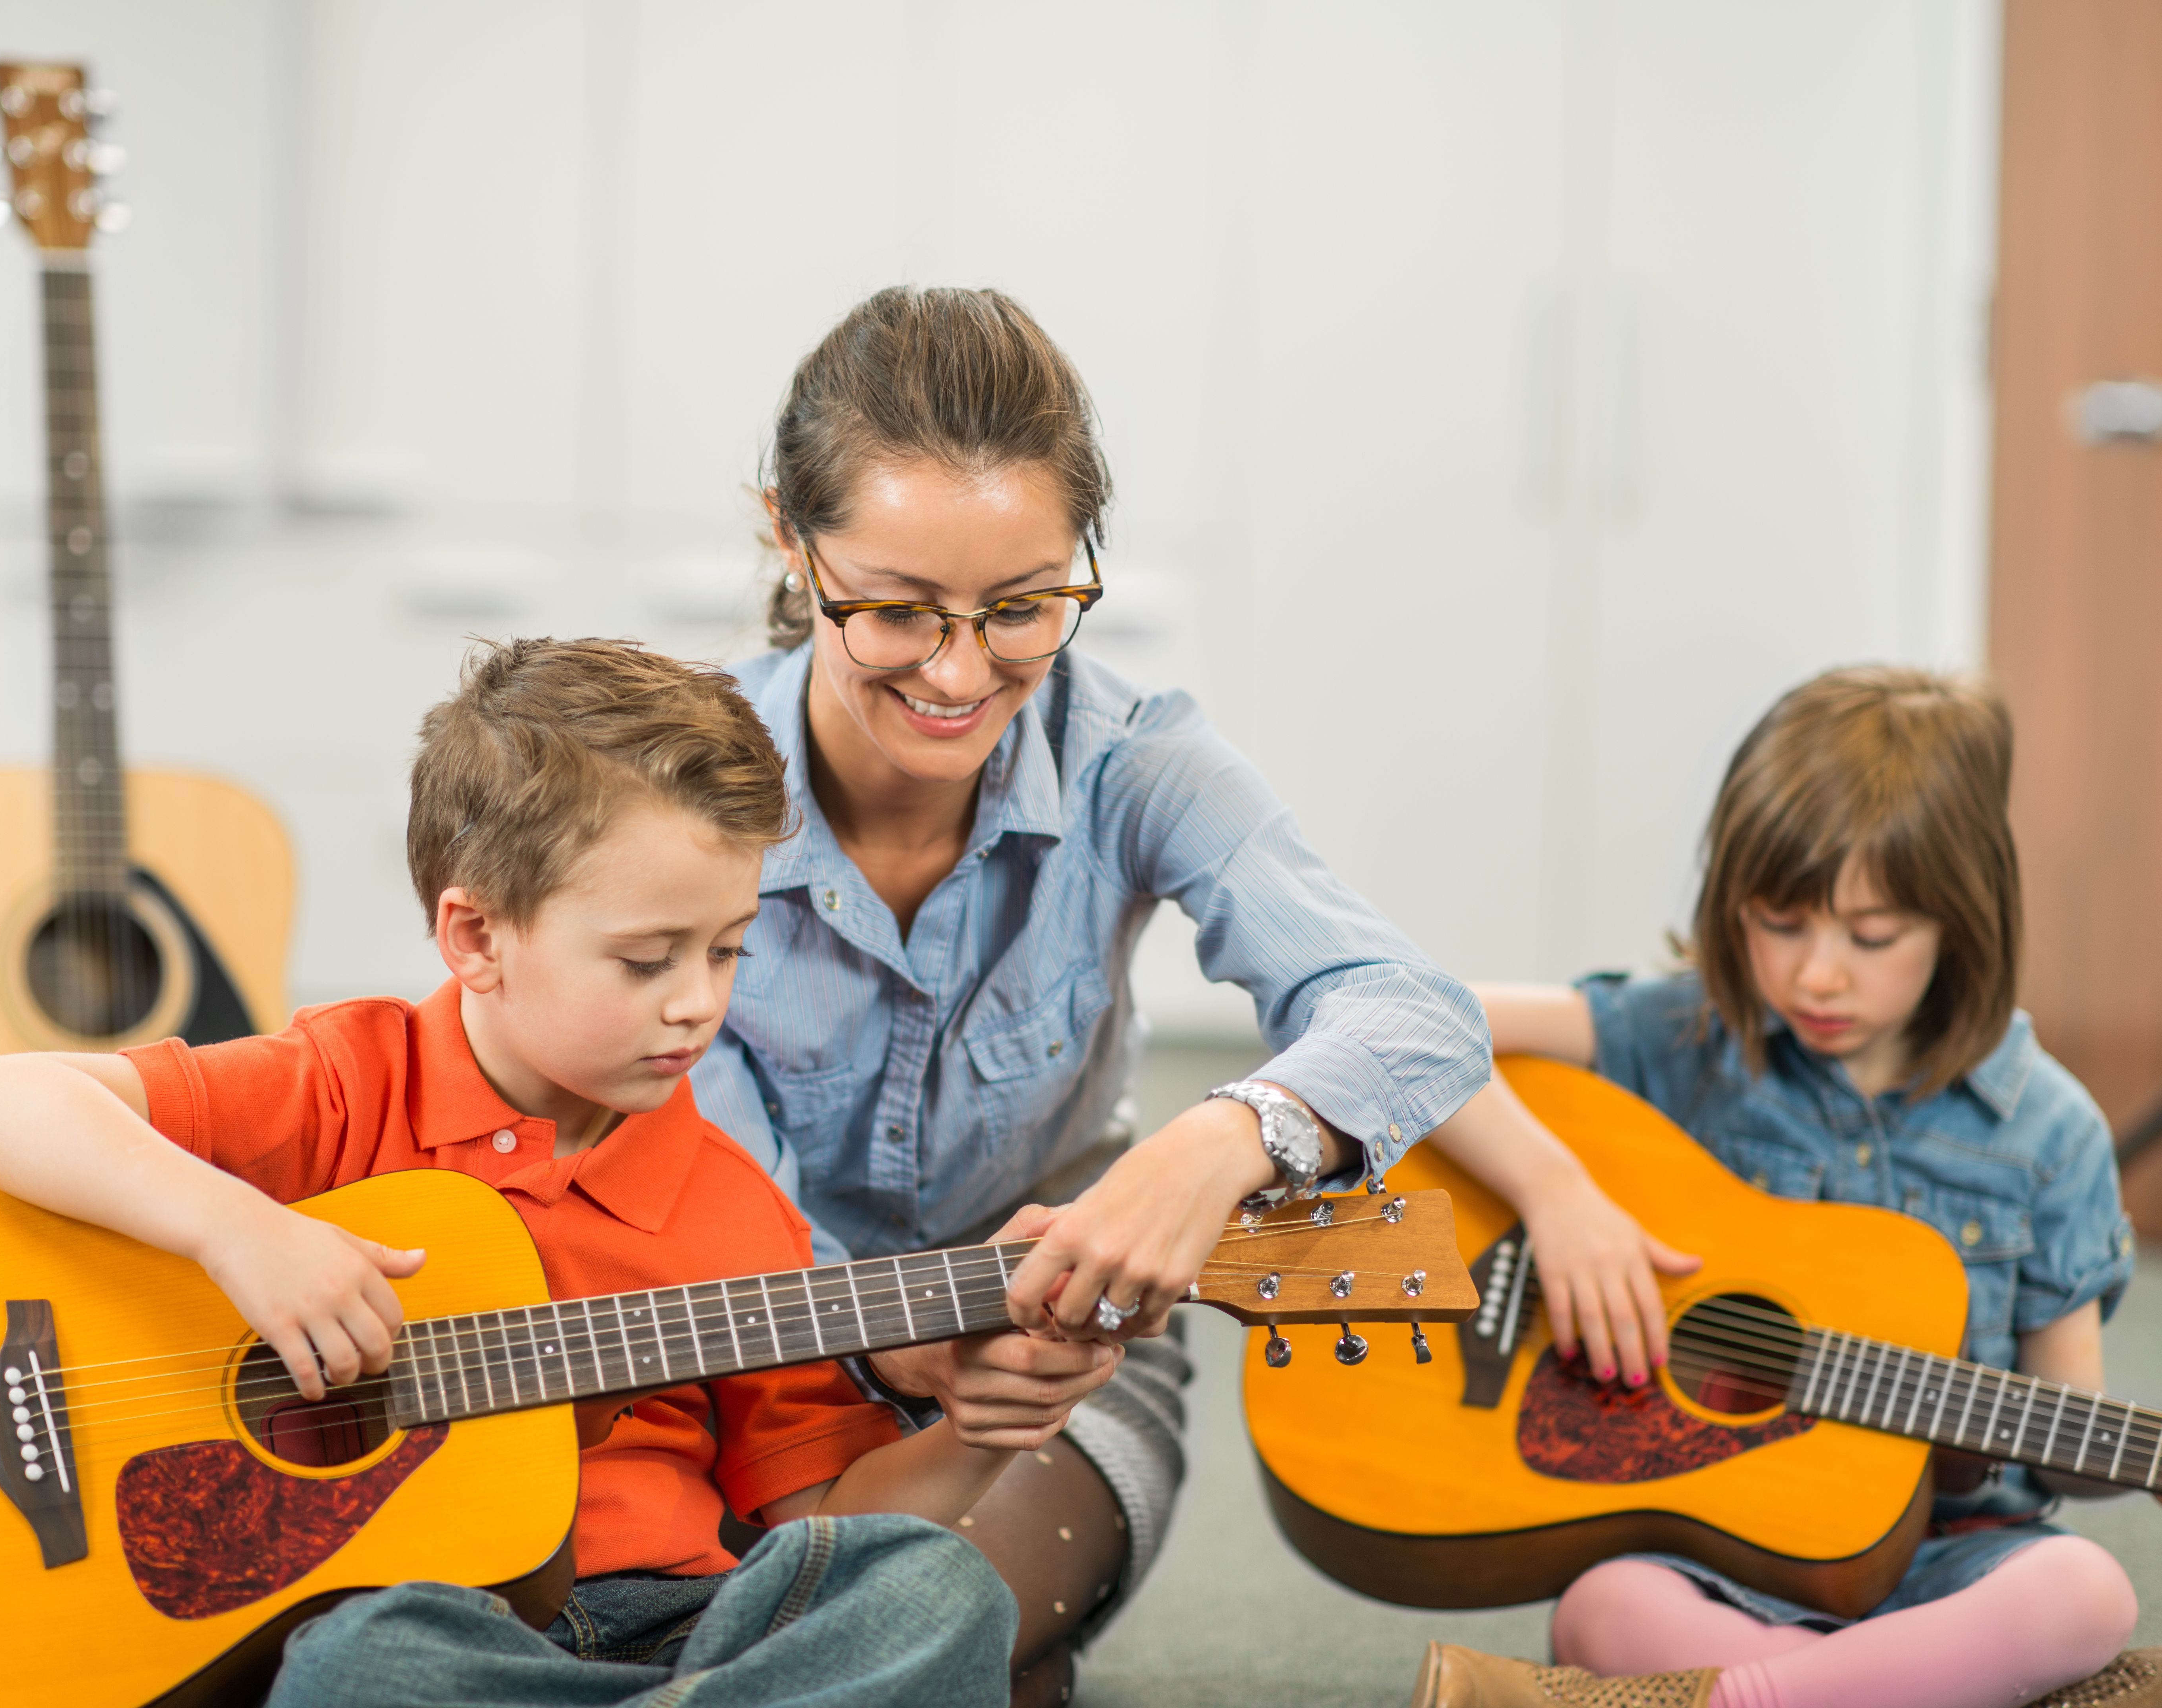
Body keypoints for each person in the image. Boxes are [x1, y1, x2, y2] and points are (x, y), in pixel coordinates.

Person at [0, 638, 1085, 1708]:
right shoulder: (348, 1079)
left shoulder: (733, 1208)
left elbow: (822, 1524)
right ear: (476, 939)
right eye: (647, 959)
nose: (698, 1001)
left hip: (680, 1628)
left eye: (729, 948)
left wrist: (978, 1433)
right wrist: (238, 1231)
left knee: (938, 1592)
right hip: (438, 1626)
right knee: (355, 1667)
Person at [687, 285, 1493, 1702]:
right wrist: (893, 1329)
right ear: (785, 536)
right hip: (728, 1364)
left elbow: (1414, 1010)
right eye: (894, 609)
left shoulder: (1136, 758)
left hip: (1057, 1373)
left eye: (1023, 606)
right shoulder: (672, 791)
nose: (958, 672)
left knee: (919, 1623)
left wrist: (1219, 1138)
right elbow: (666, 1171)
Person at [1411, 666, 2160, 1708]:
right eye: (1780, 922)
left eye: (1871, 937)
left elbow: (2069, 1444)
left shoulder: (2050, 1134)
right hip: (1723, 1558)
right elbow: (1411, 1029)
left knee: (2087, 1596)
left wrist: (2042, 1445)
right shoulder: (1685, 1042)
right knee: (1602, 1605)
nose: (1816, 976)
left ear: (1963, 919)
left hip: (1948, 1568)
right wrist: (1556, 1198)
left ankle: (1749, 1701)